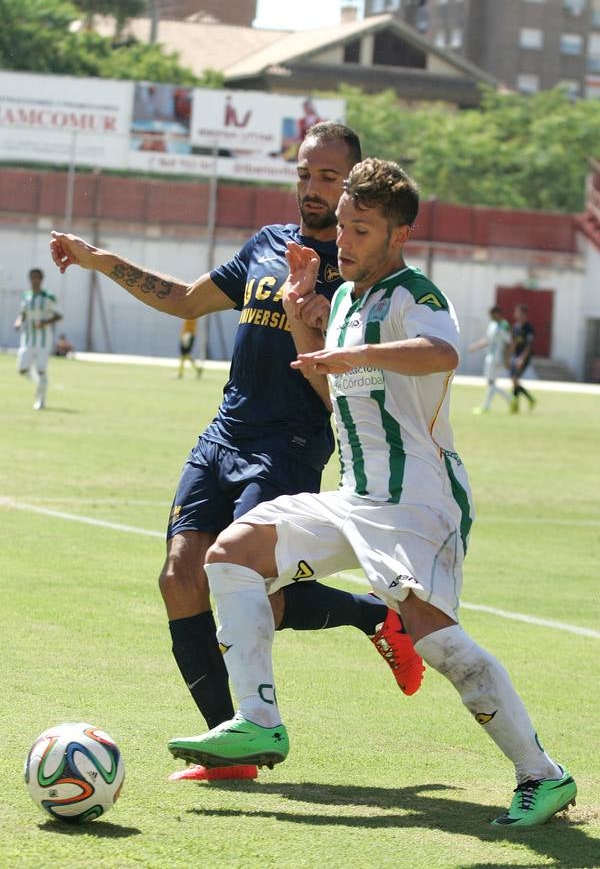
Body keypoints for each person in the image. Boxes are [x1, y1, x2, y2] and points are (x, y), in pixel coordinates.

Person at [169, 158, 577, 828]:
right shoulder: (351, 300)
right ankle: (259, 720)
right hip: (355, 495)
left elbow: (442, 354)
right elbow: (335, 394)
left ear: (400, 235)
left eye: (361, 229)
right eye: (343, 227)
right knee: (233, 553)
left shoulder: (418, 294)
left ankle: (543, 775)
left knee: (438, 643)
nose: (345, 241)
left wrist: (355, 354)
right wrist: (305, 316)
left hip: (417, 502)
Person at [49, 124, 424, 783]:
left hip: (290, 443)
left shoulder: (363, 274)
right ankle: (236, 751)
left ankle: (373, 615)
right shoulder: (267, 244)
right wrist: (99, 259)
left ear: (355, 182)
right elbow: (189, 300)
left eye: (328, 177)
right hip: (223, 434)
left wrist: (313, 304)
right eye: (305, 173)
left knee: (256, 595)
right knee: (179, 579)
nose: (312, 188)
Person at [14, 268, 62, 410]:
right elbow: (23, 314)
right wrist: (18, 322)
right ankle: (41, 383)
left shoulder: (48, 296)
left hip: (43, 339)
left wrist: (45, 323)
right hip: (27, 339)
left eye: (37, 278)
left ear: (41, 279)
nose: (34, 280)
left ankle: (40, 400)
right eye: (32, 277)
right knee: (22, 369)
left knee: (41, 369)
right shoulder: (25, 296)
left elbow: (58, 315)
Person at [468, 305, 512, 414]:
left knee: (491, 382)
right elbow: (488, 340)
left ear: (497, 313)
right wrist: (476, 346)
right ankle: (509, 399)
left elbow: (509, 343)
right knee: (491, 383)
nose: (490, 317)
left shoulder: (504, 325)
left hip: (498, 358)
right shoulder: (492, 325)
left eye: (491, 314)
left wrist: (507, 358)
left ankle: (487, 406)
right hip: (490, 357)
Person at [508, 303, 536, 413]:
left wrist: (522, 359)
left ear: (524, 314)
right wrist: (509, 357)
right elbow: (513, 343)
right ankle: (529, 400)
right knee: (514, 380)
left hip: (525, 357)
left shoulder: (529, 328)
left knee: (515, 379)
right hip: (516, 356)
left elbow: (529, 346)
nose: (515, 314)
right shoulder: (515, 327)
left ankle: (515, 404)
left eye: (518, 312)